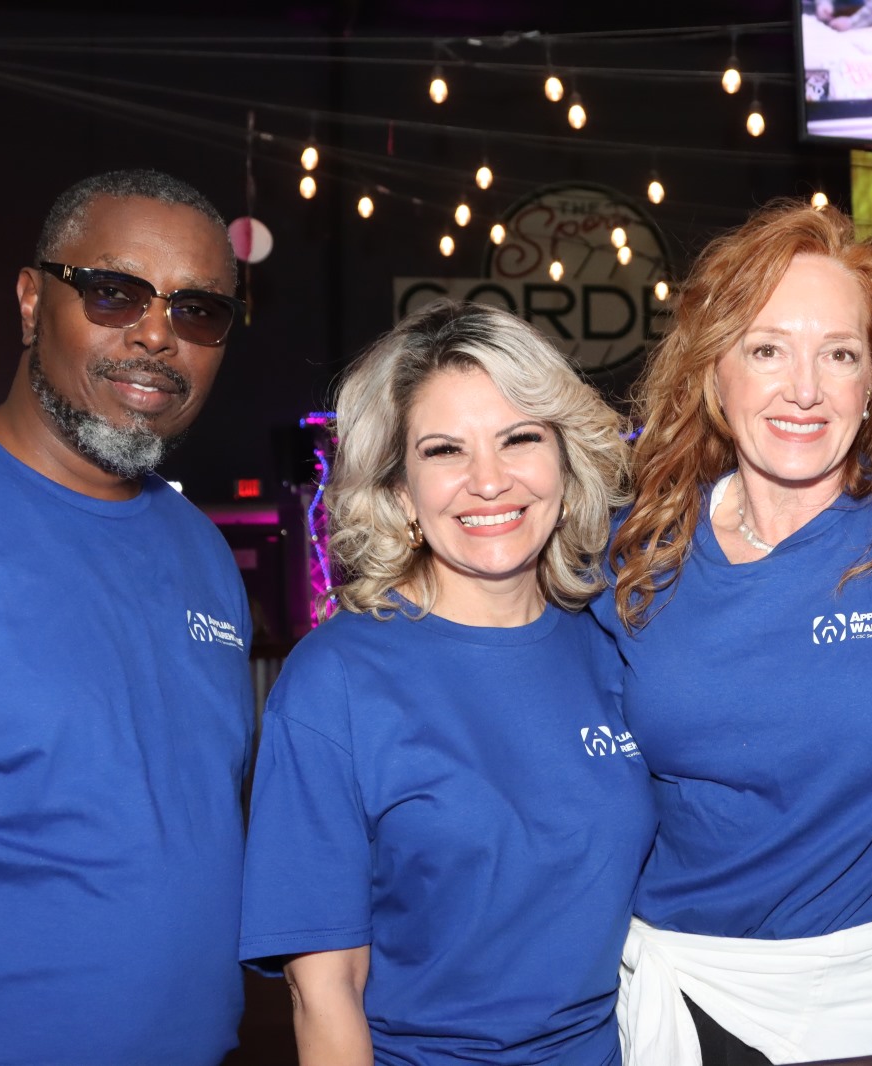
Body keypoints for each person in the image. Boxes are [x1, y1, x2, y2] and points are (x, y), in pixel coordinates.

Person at [601, 201, 872, 1065]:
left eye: (838, 355)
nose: (803, 390)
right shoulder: (636, 547)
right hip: (681, 989)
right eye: (766, 349)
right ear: (712, 370)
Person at [0, 170, 254, 1064]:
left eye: (198, 311)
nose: (157, 335)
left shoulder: (203, 552)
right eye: (114, 293)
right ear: (28, 300)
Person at [239, 301, 656, 1066]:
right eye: (444, 451)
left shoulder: (615, 642)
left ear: (565, 460)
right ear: (400, 489)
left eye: (519, 438)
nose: (488, 482)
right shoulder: (335, 683)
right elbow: (323, 991)